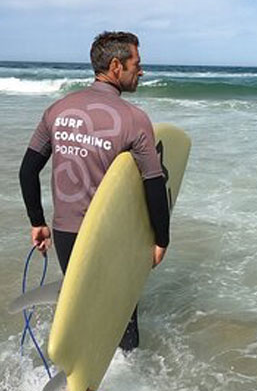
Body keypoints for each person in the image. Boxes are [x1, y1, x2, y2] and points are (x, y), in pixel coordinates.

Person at [19, 31, 171, 351]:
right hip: (109, 235)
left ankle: (77, 380)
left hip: (65, 233)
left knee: (82, 306)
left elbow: (28, 171)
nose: (141, 71)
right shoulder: (134, 119)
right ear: (116, 66)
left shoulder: (57, 110)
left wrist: (38, 222)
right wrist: (161, 239)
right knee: (122, 316)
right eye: (136, 63)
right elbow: (154, 182)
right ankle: (128, 381)